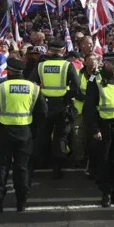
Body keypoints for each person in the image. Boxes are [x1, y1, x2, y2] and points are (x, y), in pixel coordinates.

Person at [0, 57, 46, 213]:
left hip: (4, 131)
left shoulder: (2, 87)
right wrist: (32, 127)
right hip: (25, 132)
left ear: (9, 72)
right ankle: (21, 203)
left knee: (0, 167)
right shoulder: (34, 88)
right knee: (22, 168)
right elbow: (42, 112)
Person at [84, 52, 114, 207]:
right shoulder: (95, 79)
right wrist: (94, 129)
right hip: (103, 127)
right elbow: (89, 108)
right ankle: (106, 193)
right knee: (104, 161)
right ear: (106, 63)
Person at [32, 40, 82, 178]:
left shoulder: (41, 65)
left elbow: (32, 83)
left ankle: (34, 166)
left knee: (42, 136)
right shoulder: (67, 65)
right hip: (62, 105)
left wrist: (40, 97)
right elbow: (76, 85)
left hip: (45, 104)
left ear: (50, 50)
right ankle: (57, 169)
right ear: (63, 51)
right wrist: (67, 97)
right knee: (60, 137)